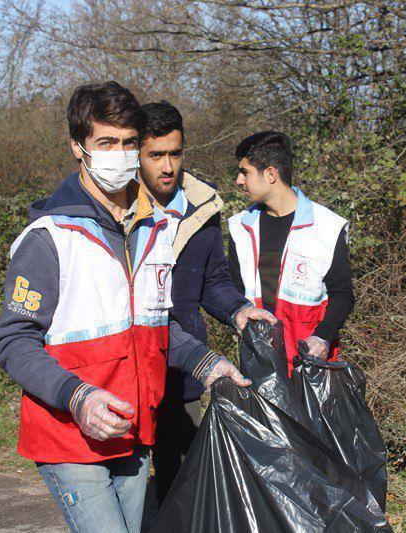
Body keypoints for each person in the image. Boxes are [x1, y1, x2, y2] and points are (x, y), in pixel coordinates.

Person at [0, 81, 250, 533]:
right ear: (78, 147)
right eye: (106, 142)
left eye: (129, 142)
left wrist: (205, 362)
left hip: (134, 430)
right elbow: (13, 342)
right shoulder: (49, 237)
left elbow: (155, 325)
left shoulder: (154, 229)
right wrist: (79, 396)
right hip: (70, 433)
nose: (121, 153)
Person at [136, 101, 274, 504]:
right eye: (155, 155)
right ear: (137, 155)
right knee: (127, 492)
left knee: (183, 489)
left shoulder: (203, 208)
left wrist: (239, 310)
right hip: (127, 371)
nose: (167, 167)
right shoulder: (118, 208)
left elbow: (212, 281)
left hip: (182, 373)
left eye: (175, 154)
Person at [228, 131, 355, 375]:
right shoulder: (239, 227)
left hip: (311, 363)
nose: (238, 181)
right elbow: (232, 289)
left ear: (270, 174)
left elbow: (342, 293)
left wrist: (323, 338)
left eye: (244, 172)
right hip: (259, 363)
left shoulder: (327, 226)